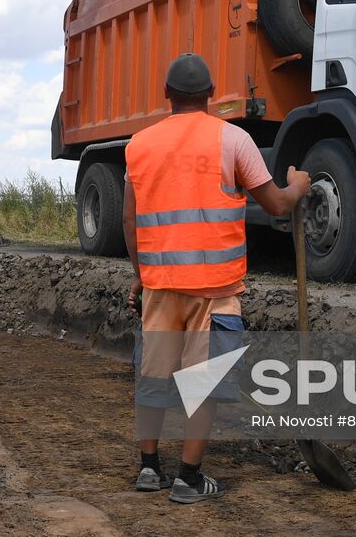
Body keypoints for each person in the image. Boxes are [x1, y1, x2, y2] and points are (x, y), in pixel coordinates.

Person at [124, 52, 310, 504]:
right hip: (216, 289)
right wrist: (299, 185)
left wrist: (140, 276)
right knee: (201, 384)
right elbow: (278, 206)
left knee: (153, 377)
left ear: (167, 95)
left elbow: (130, 222)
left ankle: (149, 468)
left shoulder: (139, 145)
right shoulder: (234, 140)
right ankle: (189, 478)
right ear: (210, 96)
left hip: (160, 285)